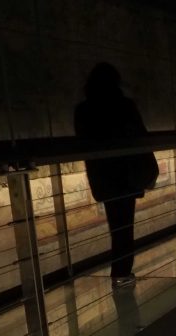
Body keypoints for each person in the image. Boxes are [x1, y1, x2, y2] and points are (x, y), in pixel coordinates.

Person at [74, 62, 153, 289]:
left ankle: (120, 273)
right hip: (127, 175)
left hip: (103, 176)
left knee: (116, 226)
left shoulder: (83, 110)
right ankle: (121, 273)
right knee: (124, 227)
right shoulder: (125, 106)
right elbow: (141, 136)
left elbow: (84, 142)